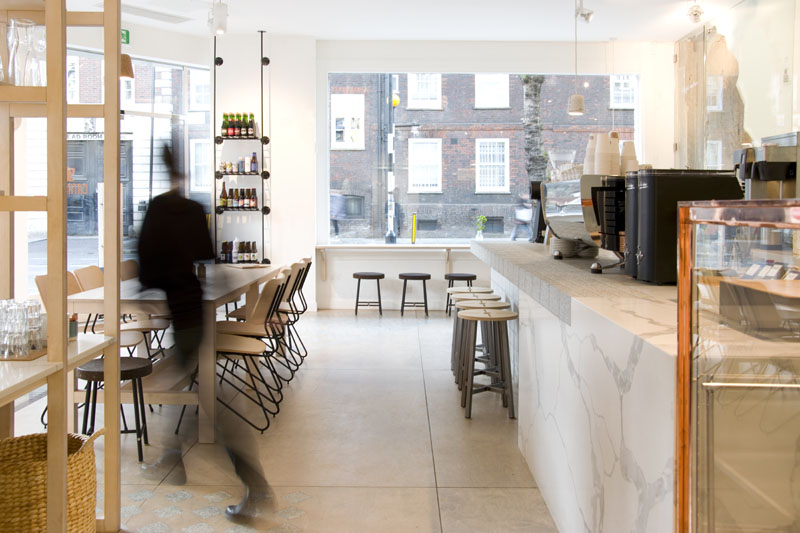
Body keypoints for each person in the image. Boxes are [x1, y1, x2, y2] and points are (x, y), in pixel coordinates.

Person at [138, 146, 270, 522]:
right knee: (195, 387)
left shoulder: (158, 209)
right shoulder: (194, 209)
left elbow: (147, 265)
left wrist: (154, 288)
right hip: (193, 306)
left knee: (210, 399)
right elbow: (206, 254)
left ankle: (255, 484)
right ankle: (173, 457)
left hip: (180, 311)